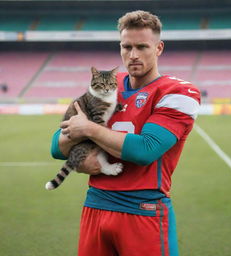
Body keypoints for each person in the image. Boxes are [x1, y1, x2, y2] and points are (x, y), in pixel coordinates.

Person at [51, 10, 201, 256]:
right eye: (126, 47)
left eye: (142, 47)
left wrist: (88, 129)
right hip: (95, 205)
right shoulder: (107, 84)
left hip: (143, 209)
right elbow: (57, 147)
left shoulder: (178, 92)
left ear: (159, 48)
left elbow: (145, 150)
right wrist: (78, 143)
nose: (133, 55)